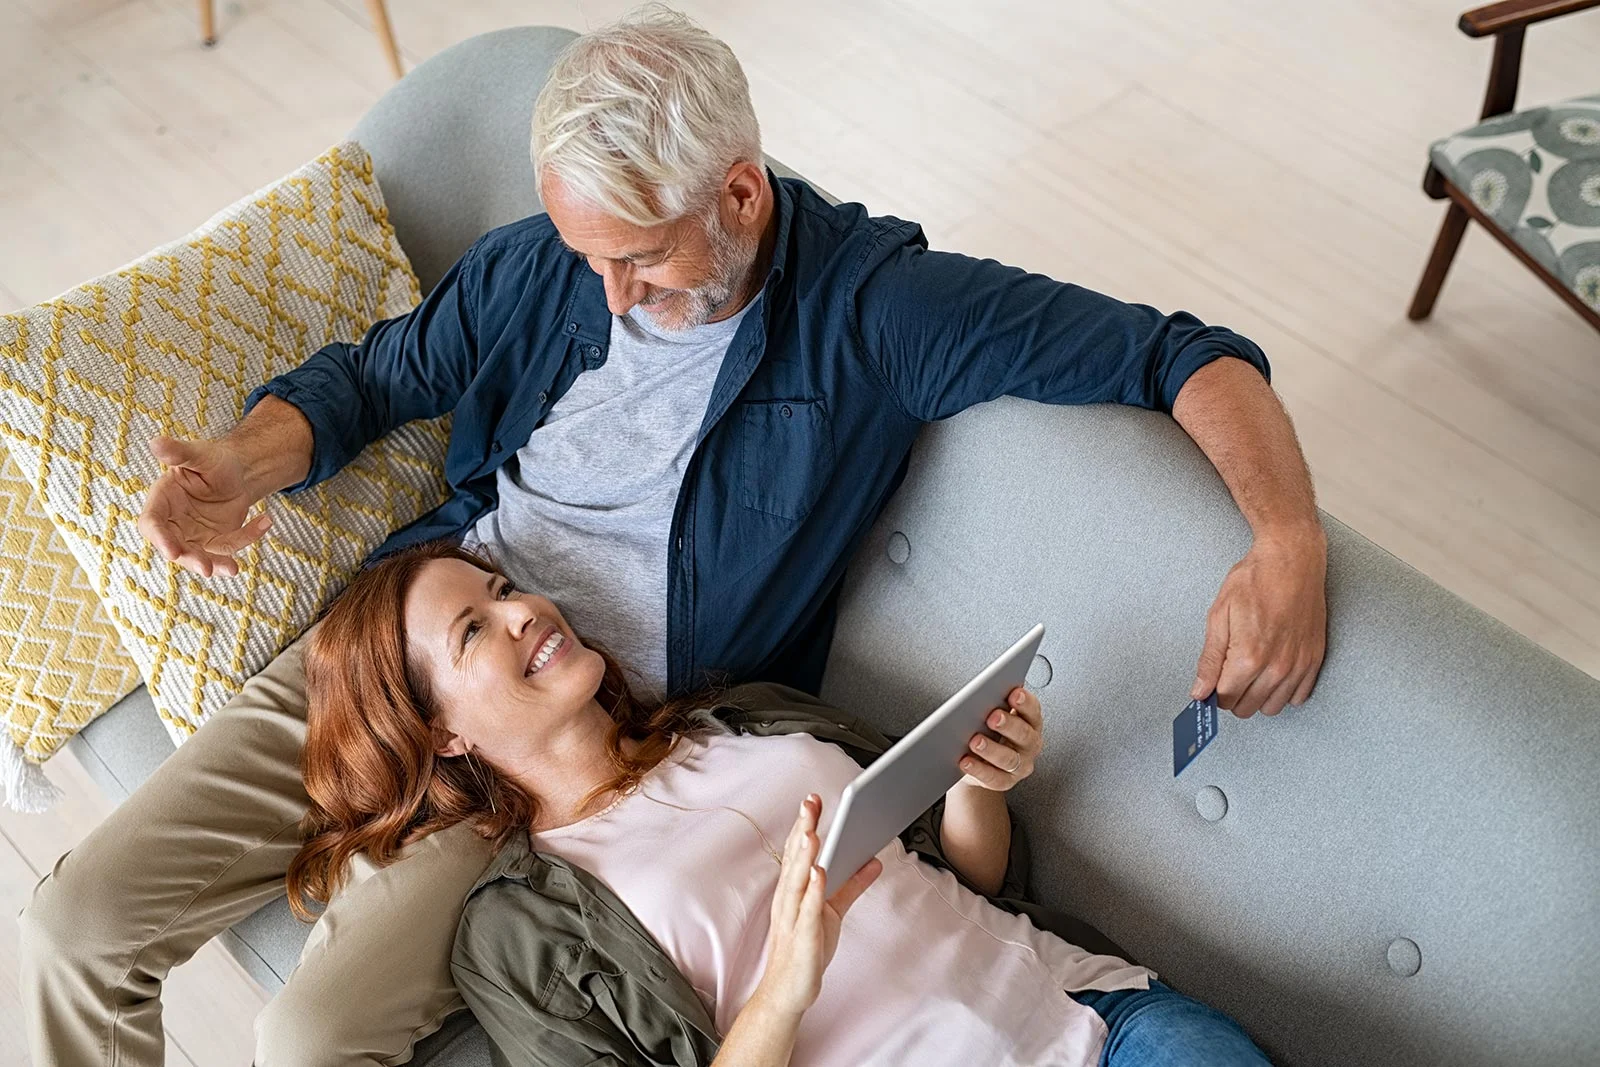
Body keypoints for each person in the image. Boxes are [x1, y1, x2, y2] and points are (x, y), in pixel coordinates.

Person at [19, 7, 1325, 1065]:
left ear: (741, 198)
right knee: (78, 914)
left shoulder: (878, 310)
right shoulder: (546, 265)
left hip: (576, 748)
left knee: (312, 1034)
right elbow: (372, 380)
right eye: (588, 254)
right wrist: (246, 463)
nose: (607, 290)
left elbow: (1177, 356)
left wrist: (1285, 544)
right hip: (411, 642)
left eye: (637, 260)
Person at [290, 539, 1276, 1066]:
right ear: (441, 733)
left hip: (1102, 1021)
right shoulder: (515, 928)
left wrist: (979, 781)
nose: (522, 612)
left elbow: (969, 875)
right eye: (474, 630)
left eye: (502, 588)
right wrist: (787, 978)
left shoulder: (745, 714)